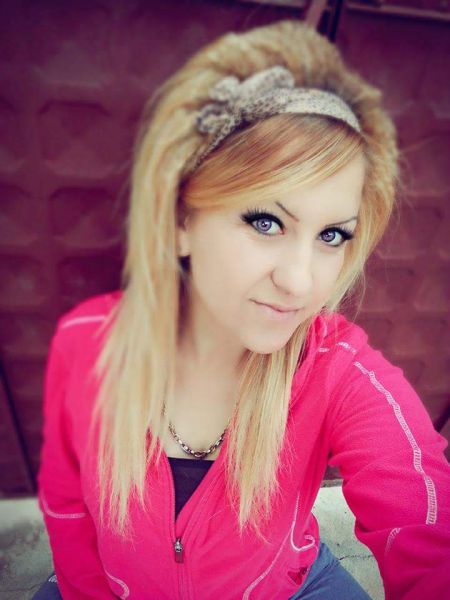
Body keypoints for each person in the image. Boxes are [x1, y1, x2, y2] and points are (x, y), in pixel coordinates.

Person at [33, 19, 450, 600]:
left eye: (332, 235)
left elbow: (426, 520)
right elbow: (68, 507)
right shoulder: (87, 345)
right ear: (181, 220)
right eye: (266, 221)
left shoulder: (336, 370)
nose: (300, 280)